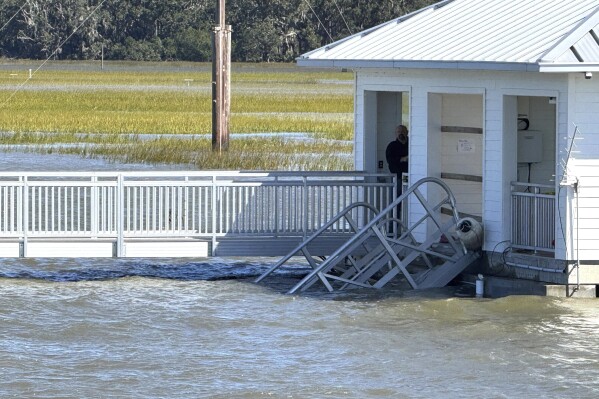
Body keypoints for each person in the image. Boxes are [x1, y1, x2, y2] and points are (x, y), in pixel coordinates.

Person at [385, 124, 409, 190]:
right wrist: (401, 159)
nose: (401, 133)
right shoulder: (392, 146)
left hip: (412, 175)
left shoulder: (412, 144)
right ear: (396, 133)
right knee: (398, 197)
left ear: (407, 132)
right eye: (398, 132)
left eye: (403, 131)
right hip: (398, 177)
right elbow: (390, 160)